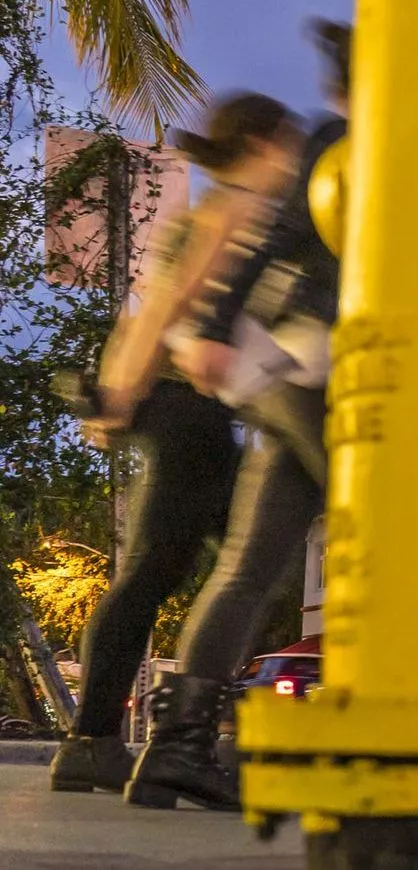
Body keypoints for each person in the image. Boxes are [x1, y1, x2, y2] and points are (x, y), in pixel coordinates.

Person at [45, 97, 297, 794]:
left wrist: (121, 388)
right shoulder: (236, 208)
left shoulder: (217, 208)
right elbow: (167, 303)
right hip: (189, 408)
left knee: (241, 570)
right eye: (289, 142)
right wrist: (124, 391)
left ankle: (153, 741)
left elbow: (149, 302)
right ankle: (118, 741)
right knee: (194, 572)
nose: (296, 156)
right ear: (260, 142)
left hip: (185, 408)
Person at [127, 27, 350, 811]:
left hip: (278, 374)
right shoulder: (343, 142)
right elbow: (271, 238)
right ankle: (400, 736)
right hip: (309, 368)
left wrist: (223, 328)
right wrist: (217, 325)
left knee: (248, 568)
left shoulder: (339, 138)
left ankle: (172, 754)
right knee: (393, 534)